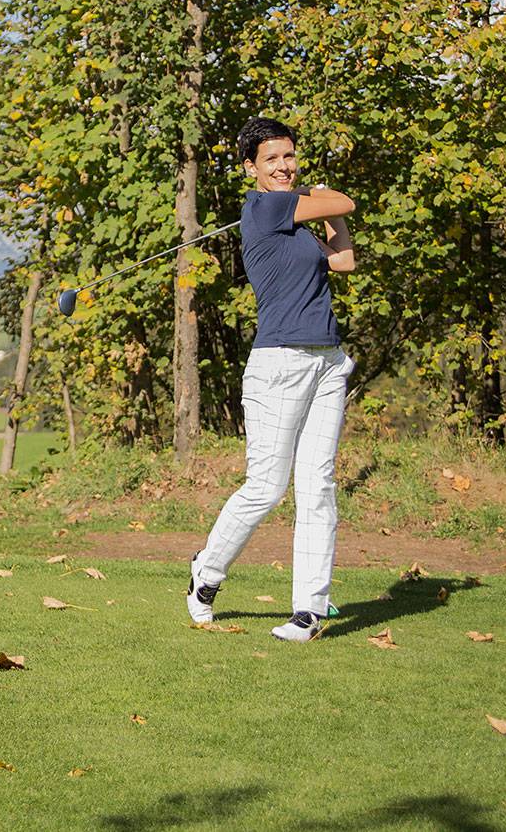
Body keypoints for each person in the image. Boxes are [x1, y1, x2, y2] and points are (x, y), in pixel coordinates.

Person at [186, 117, 356, 642]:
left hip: (328, 360)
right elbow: (345, 201)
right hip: (279, 364)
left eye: (290, 156)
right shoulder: (263, 208)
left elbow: (344, 260)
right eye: (272, 160)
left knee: (318, 486)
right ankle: (206, 574)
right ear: (251, 169)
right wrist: (319, 193)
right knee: (265, 487)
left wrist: (320, 206)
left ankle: (309, 610)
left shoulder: (295, 220)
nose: (284, 166)